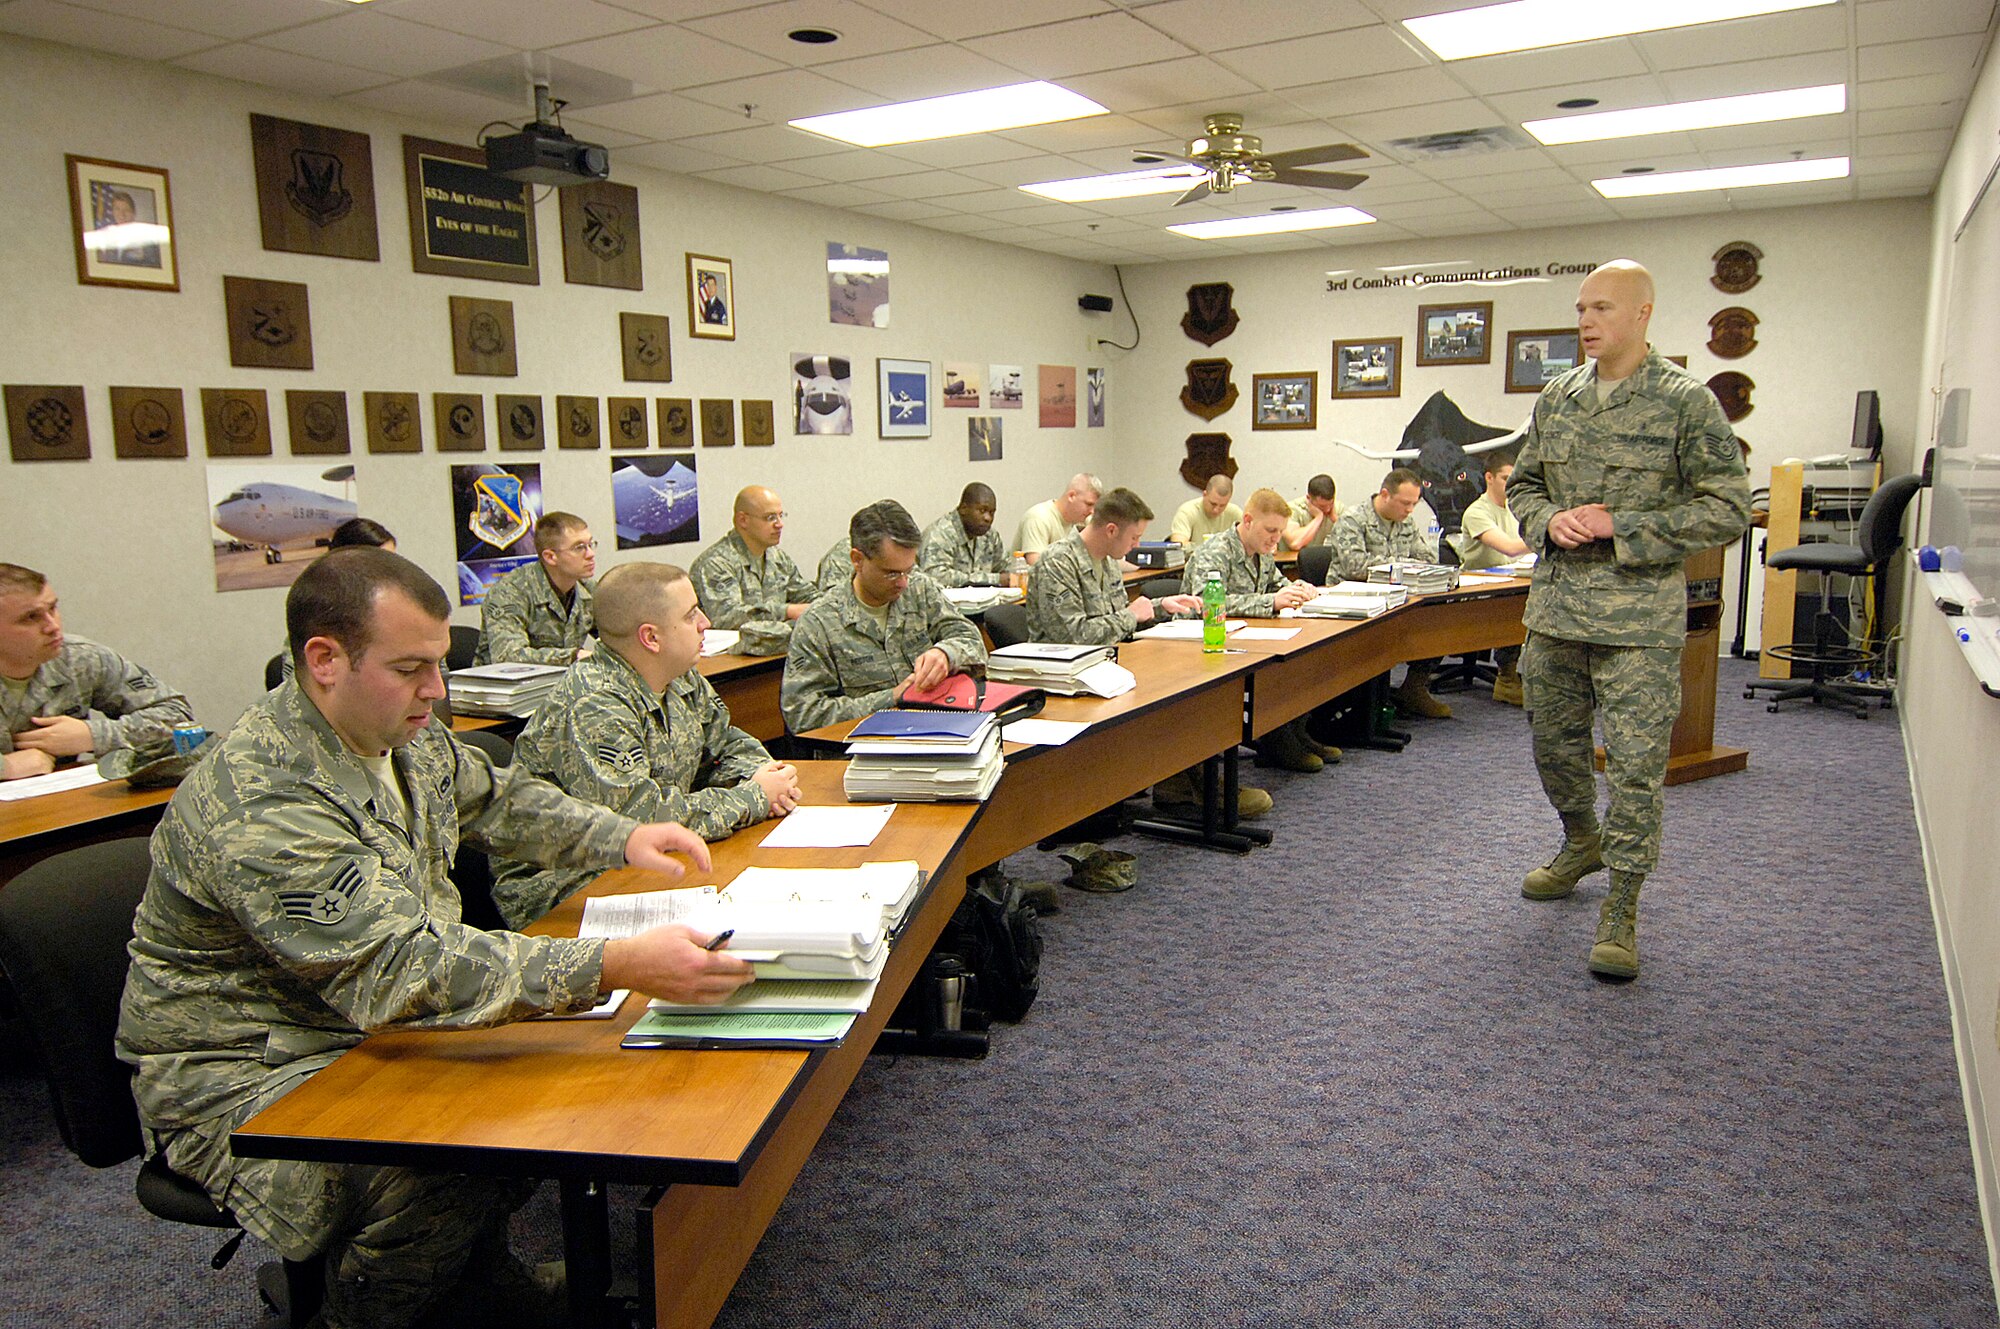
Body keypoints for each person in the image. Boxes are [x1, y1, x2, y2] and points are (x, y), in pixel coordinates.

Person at [115, 549, 753, 1329]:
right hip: (245, 1071)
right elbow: (399, 969)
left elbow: (497, 797)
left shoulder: (397, 729)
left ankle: (477, 1284)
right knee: (441, 1166)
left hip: (357, 1026)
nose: (437, 690)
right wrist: (616, 962)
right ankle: (360, 1313)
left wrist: (622, 835)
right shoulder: (265, 798)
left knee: (539, 1097)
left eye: (441, 663)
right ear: (323, 659)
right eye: (412, 667)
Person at [1507, 259, 1751, 980]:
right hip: (1555, 613)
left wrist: (1625, 523)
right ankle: (1581, 839)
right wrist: (1549, 519)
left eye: (1602, 308)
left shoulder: (1685, 402)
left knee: (1638, 770)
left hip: (1638, 621)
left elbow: (1728, 507)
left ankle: (1623, 905)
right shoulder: (1558, 398)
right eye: (1581, 308)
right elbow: (1522, 484)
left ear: (1642, 314)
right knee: (1554, 748)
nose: (1586, 321)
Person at [494, 562, 802, 928]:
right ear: (651, 638)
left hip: (641, 860)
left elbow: (725, 740)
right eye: (691, 616)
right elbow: (641, 819)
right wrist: (753, 797)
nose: (705, 623)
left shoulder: (679, 673)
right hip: (565, 885)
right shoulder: (595, 703)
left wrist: (766, 776)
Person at [1024, 489, 1271, 819]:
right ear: (1111, 530)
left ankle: (1182, 782)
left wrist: (1158, 607)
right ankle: (1194, 786)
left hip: (1105, 667)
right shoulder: (1059, 563)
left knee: (1187, 683)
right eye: (1135, 536)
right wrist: (1133, 614)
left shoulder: (1107, 562)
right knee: (1170, 697)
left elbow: (1116, 624)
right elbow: (1072, 636)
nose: (1136, 546)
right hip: (1067, 682)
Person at [780, 500, 986, 735]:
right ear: (857, 560)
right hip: (864, 749)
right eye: (891, 573)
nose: (903, 582)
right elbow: (803, 715)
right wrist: (892, 697)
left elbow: (971, 639)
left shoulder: (920, 590)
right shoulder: (820, 622)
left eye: (908, 570)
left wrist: (946, 654)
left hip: (935, 730)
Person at [1, 563, 192, 781]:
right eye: (31, 617)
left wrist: (94, 736)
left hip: (64, 806)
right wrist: (5, 767)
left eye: (52, 608)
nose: (52, 626)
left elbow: (178, 718)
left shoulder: (80, 659)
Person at [1181, 489, 1325, 772]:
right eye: (1270, 530)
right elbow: (1206, 603)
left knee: (1302, 663)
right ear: (1247, 521)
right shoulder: (1214, 553)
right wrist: (1270, 602)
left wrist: (1297, 589)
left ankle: (1294, 734)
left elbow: (1276, 583)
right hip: (1209, 644)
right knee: (1278, 673)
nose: (1276, 538)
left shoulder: (1262, 551)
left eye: (1280, 531)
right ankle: (1279, 740)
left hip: (1251, 638)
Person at [1330, 468, 1452, 719]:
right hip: (1353, 599)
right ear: (1385, 494)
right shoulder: (1354, 520)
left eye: (1414, 504)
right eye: (1405, 503)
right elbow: (1355, 567)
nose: (1409, 510)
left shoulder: (1405, 522)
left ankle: (1414, 688)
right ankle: (1361, 704)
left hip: (1396, 597)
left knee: (1439, 618)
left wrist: (1397, 566)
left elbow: (1428, 558)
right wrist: (1402, 564)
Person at [688, 486, 817, 655]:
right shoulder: (716, 563)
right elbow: (726, 620)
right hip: (733, 663)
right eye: (770, 517)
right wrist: (787, 611)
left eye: (780, 515)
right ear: (743, 520)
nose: (779, 524)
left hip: (779, 653)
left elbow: (807, 595)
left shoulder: (777, 557)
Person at [278, 518, 398, 682]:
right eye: (379, 564)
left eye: (393, 563)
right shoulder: (316, 617)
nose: (391, 572)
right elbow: (297, 687)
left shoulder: (399, 610)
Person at [1453, 455, 1531, 706]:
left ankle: (1513, 676)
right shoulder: (1477, 512)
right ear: (1489, 478)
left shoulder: (1512, 509)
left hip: (1510, 582)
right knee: (1514, 606)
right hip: (1479, 589)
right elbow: (1509, 548)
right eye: (1506, 479)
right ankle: (1507, 678)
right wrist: (1546, 534)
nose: (1510, 485)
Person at [473, 511, 596, 666]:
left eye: (590, 545)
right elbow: (507, 655)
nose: (591, 554)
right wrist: (573, 656)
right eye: (579, 548)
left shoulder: (589, 589)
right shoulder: (510, 592)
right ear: (551, 557)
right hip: (504, 687)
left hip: (561, 685)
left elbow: (619, 634)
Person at [918, 483, 1009, 588]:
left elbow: (1006, 568)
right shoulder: (939, 535)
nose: (988, 518)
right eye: (982, 510)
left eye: (992, 513)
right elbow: (936, 577)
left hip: (986, 602)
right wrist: (994, 579)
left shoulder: (989, 536)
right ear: (963, 508)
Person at [1013, 473, 1101, 565]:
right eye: (1089, 504)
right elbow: (1036, 566)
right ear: (1071, 496)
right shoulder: (1038, 518)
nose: (1092, 511)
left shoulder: (1083, 521)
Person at [1169, 474, 1241, 548]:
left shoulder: (1234, 513)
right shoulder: (1187, 511)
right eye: (1213, 504)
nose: (1216, 510)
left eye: (1222, 505)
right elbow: (1178, 545)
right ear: (1204, 494)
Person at [1284, 474, 1342, 552]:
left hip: (1317, 562)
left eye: (1331, 504)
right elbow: (1295, 543)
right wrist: (1318, 518)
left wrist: (1335, 519)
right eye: (1322, 506)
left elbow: (1355, 539)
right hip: (1290, 562)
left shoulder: (1338, 508)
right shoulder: (1292, 509)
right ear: (1309, 498)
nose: (1328, 510)